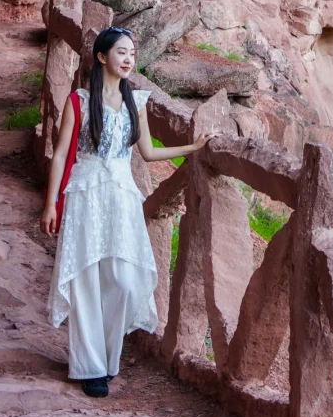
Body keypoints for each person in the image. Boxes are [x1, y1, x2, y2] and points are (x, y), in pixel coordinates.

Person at [40, 24, 213, 397]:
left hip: (121, 195)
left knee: (121, 278)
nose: (129, 58)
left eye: (132, 52)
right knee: (86, 277)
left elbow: (148, 153)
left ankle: (107, 357)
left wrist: (192, 148)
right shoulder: (80, 102)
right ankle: (90, 368)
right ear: (102, 57)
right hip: (86, 192)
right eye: (121, 52)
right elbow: (59, 156)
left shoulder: (137, 101)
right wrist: (51, 204)